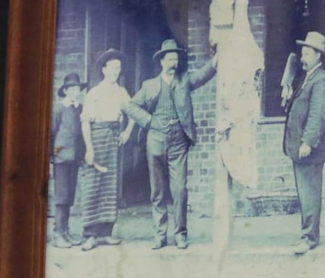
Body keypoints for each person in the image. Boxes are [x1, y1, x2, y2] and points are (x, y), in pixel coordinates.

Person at [126, 38, 217, 250]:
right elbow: (131, 106)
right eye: (169, 59)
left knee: (179, 189)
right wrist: (149, 121)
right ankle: (160, 234)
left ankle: (180, 234)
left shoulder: (184, 81)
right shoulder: (149, 86)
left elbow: (203, 76)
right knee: (157, 191)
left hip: (178, 141)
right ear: (161, 62)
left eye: (175, 59)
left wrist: (215, 60)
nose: (173, 62)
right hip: (156, 140)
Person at [282, 31, 325, 255]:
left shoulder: (320, 80)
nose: (302, 57)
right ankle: (307, 234)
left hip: (308, 149)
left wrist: (308, 142)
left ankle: (310, 238)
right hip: (299, 147)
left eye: (306, 53)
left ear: (317, 56)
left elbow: (317, 114)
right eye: (302, 52)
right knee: (305, 193)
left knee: (310, 193)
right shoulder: (307, 77)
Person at [79, 49, 134, 251]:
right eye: (111, 68)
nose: (114, 72)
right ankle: (90, 235)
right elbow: (85, 122)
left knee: (110, 185)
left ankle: (106, 233)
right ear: (103, 70)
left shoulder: (121, 92)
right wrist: (89, 149)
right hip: (96, 137)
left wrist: (127, 130)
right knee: (93, 185)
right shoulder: (94, 93)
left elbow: (133, 111)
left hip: (113, 140)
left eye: (117, 68)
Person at [49, 72, 86, 248]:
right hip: (61, 159)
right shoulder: (58, 109)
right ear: (65, 90)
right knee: (61, 196)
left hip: (74, 159)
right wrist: (52, 157)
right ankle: (58, 233)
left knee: (70, 196)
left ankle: (66, 231)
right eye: (71, 88)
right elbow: (51, 134)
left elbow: (82, 135)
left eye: (77, 88)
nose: (74, 91)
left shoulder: (80, 108)